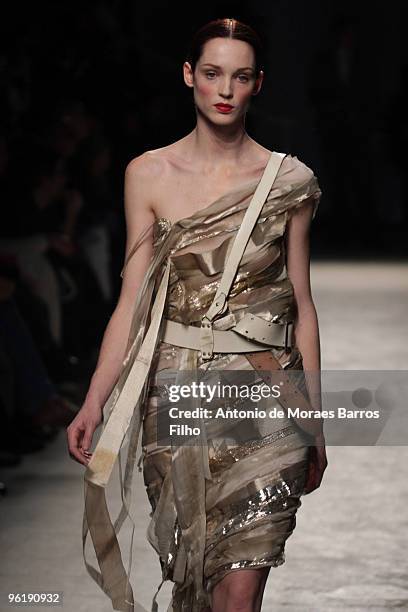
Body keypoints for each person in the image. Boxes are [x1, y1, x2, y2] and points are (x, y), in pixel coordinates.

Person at [67, 17, 328, 612]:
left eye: (240, 77)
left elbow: (302, 307)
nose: (224, 90)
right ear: (189, 76)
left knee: (242, 587)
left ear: (257, 84)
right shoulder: (149, 173)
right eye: (212, 74)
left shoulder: (290, 181)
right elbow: (132, 296)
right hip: (178, 394)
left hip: (267, 396)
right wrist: (94, 400)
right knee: (199, 574)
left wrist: (315, 422)